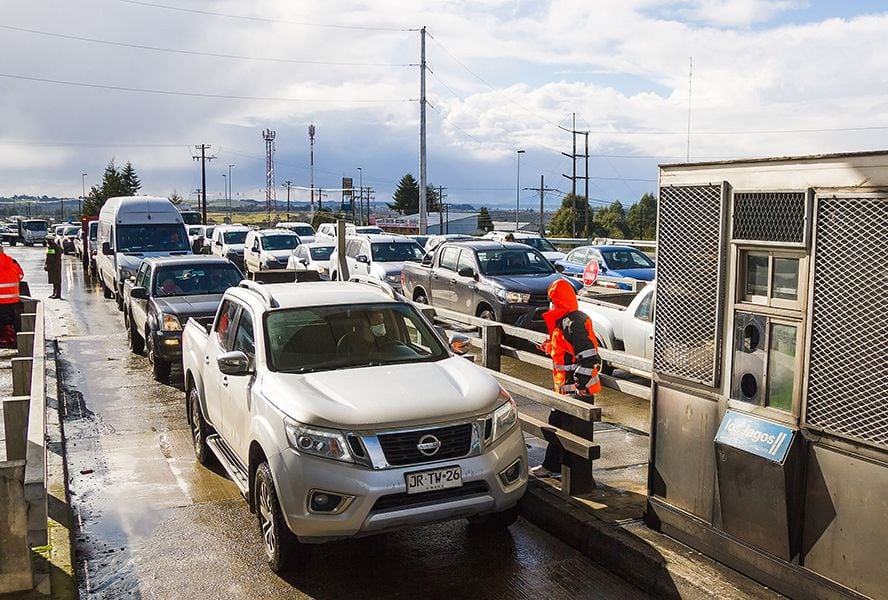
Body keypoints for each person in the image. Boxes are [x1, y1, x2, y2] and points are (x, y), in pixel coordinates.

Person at [530, 278, 602, 478]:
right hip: (566, 389)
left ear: (557, 300)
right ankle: (555, 468)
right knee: (559, 426)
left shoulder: (572, 322)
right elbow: (567, 349)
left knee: (566, 429)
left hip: (575, 389)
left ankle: (566, 473)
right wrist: (548, 348)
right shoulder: (567, 320)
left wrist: (580, 383)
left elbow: (588, 355)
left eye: (552, 300)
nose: (550, 304)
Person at [0, 245, 24, 348]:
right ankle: (12, 338)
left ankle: (7, 338)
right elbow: (21, 276)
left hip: (1, 299)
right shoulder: (13, 262)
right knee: (12, 319)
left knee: (3, 320)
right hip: (14, 298)